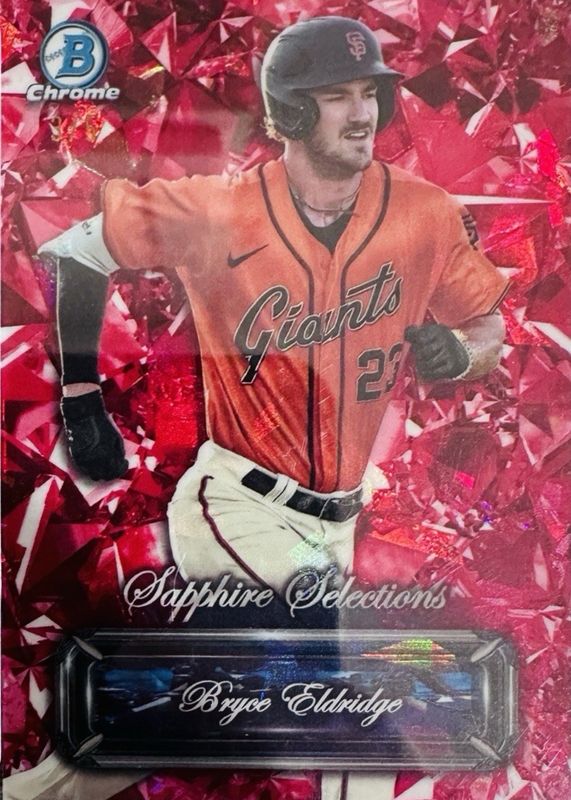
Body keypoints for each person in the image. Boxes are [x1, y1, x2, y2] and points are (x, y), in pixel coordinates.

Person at [5, 15, 507, 800]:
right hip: (235, 504)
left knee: (194, 707)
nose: (362, 113)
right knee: (361, 677)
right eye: (335, 96)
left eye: (369, 93)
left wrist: (464, 353)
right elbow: (75, 251)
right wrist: (80, 398)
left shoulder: (423, 212)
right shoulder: (217, 210)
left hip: (337, 522)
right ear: (292, 112)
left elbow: (486, 325)